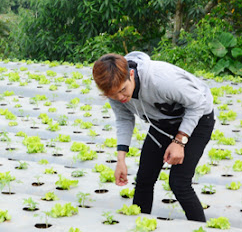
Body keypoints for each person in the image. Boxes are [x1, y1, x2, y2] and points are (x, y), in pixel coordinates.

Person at [92, 51, 215, 222]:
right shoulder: (112, 88)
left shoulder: (161, 80)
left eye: (123, 90)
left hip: (198, 118)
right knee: (144, 179)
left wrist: (179, 141)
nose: (120, 97)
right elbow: (124, 119)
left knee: (179, 182)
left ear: (131, 74)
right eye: (113, 95)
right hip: (162, 122)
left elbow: (198, 104)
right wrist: (121, 159)